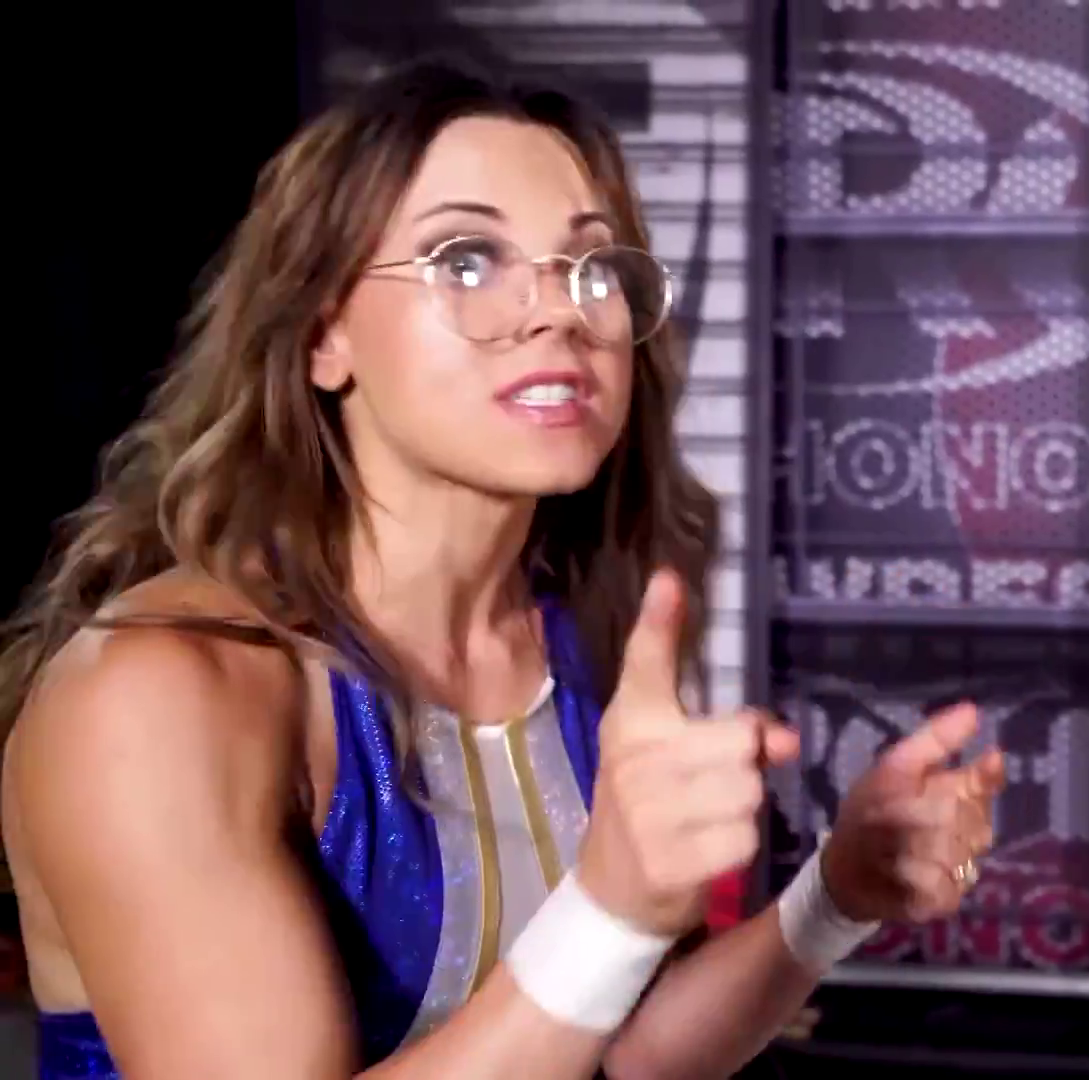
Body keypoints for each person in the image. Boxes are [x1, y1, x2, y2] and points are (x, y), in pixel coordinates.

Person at [1, 59, 1004, 1080]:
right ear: (322, 334)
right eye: (468, 258)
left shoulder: (583, 637)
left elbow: (634, 1054)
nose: (560, 311)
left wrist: (837, 893)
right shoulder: (154, 694)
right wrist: (610, 910)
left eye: (594, 269)